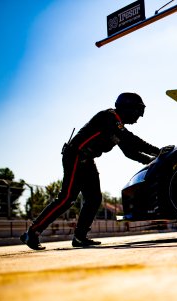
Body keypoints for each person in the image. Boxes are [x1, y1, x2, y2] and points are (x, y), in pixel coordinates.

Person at [20, 92, 161, 250]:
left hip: (87, 160)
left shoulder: (116, 127)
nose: (139, 116)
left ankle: (80, 237)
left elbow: (130, 152)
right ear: (127, 108)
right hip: (76, 155)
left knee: (94, 198)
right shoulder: (110, 117)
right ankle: (32, 233)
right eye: (137, 110)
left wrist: (153, 160)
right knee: (67, 197)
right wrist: (158, 151)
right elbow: (131, 140)